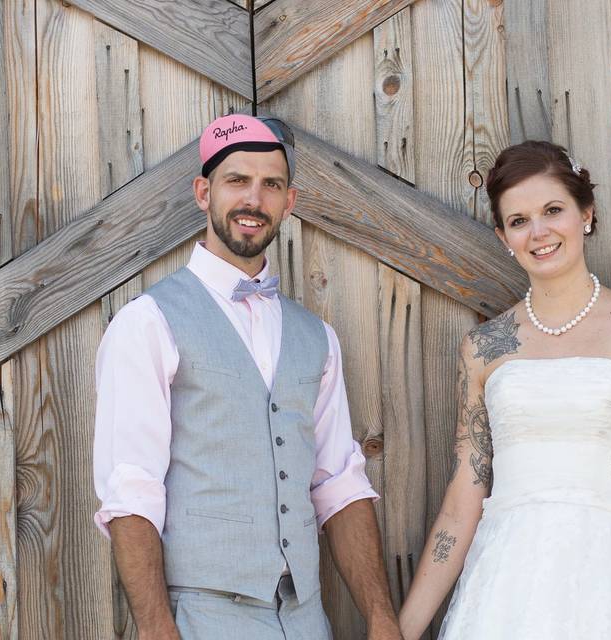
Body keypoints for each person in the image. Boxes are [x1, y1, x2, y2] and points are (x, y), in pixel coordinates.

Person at [398, 141, 611, 639]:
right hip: (511, 586)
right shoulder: (483, 348)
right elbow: (464, 494)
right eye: (518, 221)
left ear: (586, 213)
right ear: (503, 236)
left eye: (552, 210)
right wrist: (402, 629)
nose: (539, 232)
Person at [93, 114, 402, 640]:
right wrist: (155, 628)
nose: (253, 200)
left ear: (289, 202)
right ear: (203, 192)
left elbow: (339, 485)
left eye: (271, 185)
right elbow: (131, 491)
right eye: (237, 180)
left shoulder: (316, 337)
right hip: (201, 618)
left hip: (306, 619)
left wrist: (380, 619)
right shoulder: (149, 322)